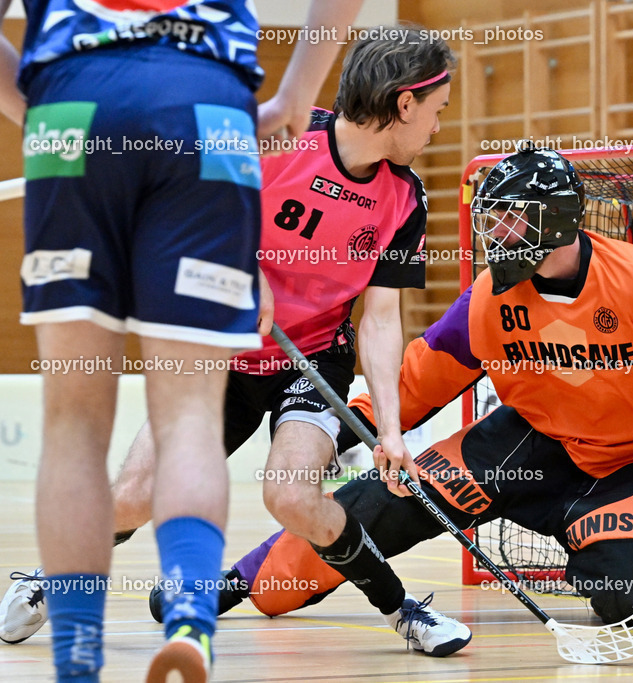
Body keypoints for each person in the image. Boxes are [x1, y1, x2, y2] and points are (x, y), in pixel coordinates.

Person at [0, 26, 472, 661]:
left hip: (313, 358)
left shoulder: (405, 198)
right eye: (438, 109)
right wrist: (241, 268)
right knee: (136, 495)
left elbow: (381, 317)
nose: (439, 126)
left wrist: (390, 428)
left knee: (291, 494)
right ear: (404, 103)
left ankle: (403, 610)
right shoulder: (279, 141)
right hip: (217, 346)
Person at [160, 147, 633, 626]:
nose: (496, 234)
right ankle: (239, 582)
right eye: (494, 220)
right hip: (524, 444)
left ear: (555, 221)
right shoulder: (487, 299)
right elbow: (420, 378)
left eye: (512, 220)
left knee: (627, 600)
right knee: (380, 502)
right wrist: (354, 429)